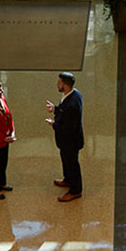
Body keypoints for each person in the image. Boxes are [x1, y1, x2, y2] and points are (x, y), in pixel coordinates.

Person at [45, 72, 84, 202]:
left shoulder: (72, 104)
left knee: (72, 164)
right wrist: (55, 109)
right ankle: (68, 180)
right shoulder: (72, 94)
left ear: (66, 85)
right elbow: (64, 111)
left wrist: (54, 124)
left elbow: (68, 128)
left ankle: (76, 190)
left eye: (59, 82)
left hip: (70, 142)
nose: (57, 84)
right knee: (66, 161)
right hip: (67, 142)